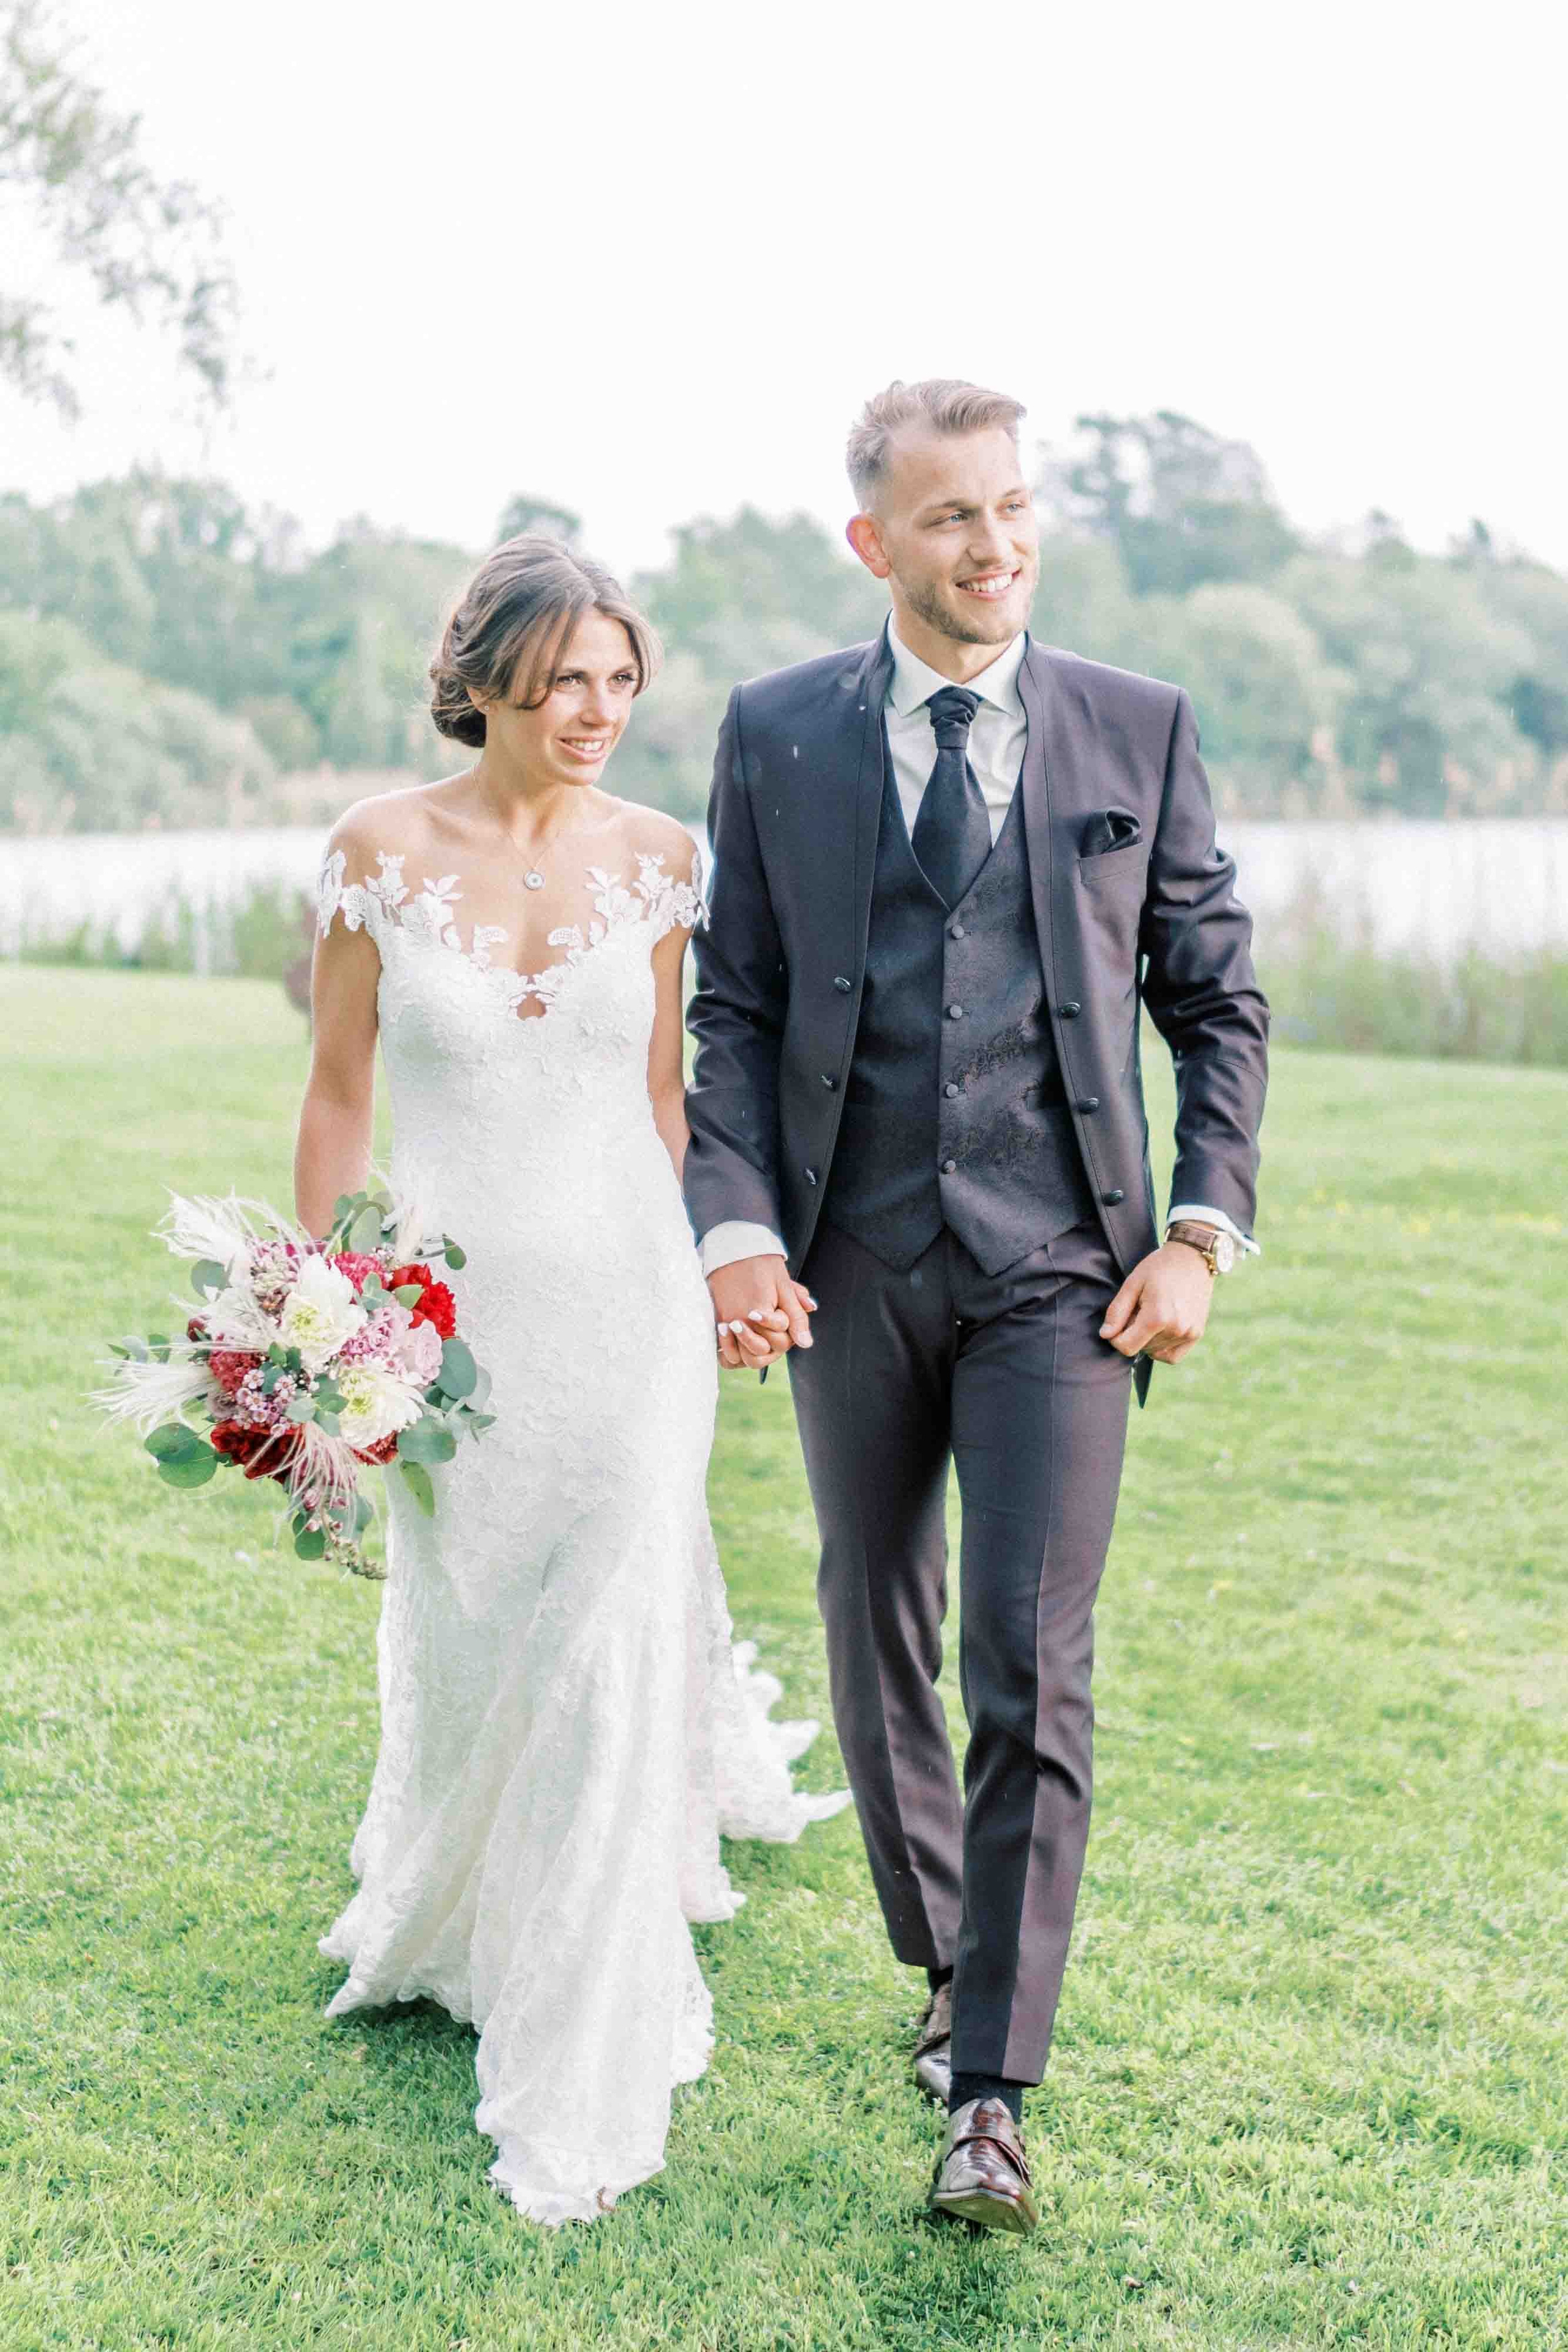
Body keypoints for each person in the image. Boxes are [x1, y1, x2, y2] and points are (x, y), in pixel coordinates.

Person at [685, 379, 1270, 2236]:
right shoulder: (776, 732)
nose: (994, 545)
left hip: (1062, 1277)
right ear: (874, 542)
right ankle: (942, 1956)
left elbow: (1217, 1001)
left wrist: (1200, 1228)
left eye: (1012, 508)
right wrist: (739, 1233)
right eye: (951, 518)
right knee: (877, 1632)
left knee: (1031, 1658)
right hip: (847, 1264)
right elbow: (736, 1015)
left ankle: (993, 2090)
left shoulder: (1138, 726)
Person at [298, 535, 845, 2226]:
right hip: (450, 1324)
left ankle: (591, 2002)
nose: (596, 712)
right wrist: (323, 1321)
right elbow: (334, 1099)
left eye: (619, 681)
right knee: (476, 1623)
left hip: (629, 1310)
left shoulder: (664, 864)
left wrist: (720, 1268)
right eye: (561, 683)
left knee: (610, 1624)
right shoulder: (377, 853)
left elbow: (674, 1108)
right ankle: (461, 1907)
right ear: (483, 682)